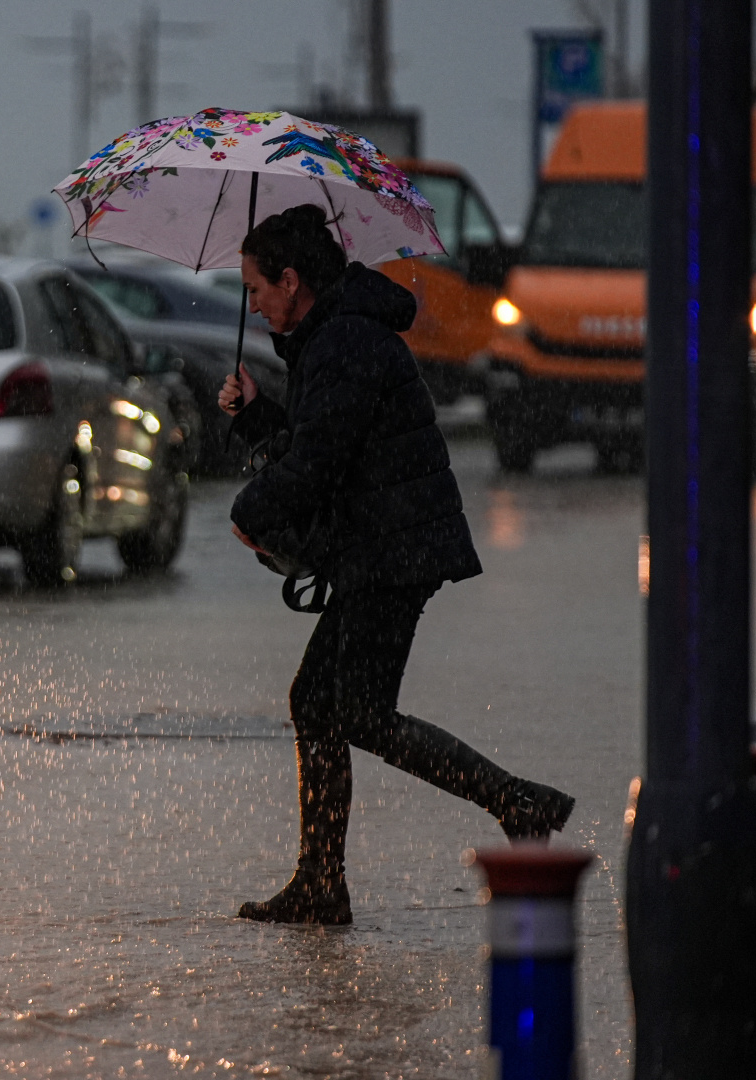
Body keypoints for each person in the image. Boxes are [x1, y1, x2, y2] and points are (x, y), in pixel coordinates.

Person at [219, 204, 574, 926]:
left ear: (290, 281)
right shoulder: (331, 337)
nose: (252, 305)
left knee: (360, 713)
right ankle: (321, 881)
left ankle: (517, 802)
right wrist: (255, 416)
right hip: (383, 545)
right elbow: (321, 441)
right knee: (316, 702)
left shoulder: (344, 341)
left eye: (255, 288)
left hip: (394, 549)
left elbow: (318, 464)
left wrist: (250, 510)